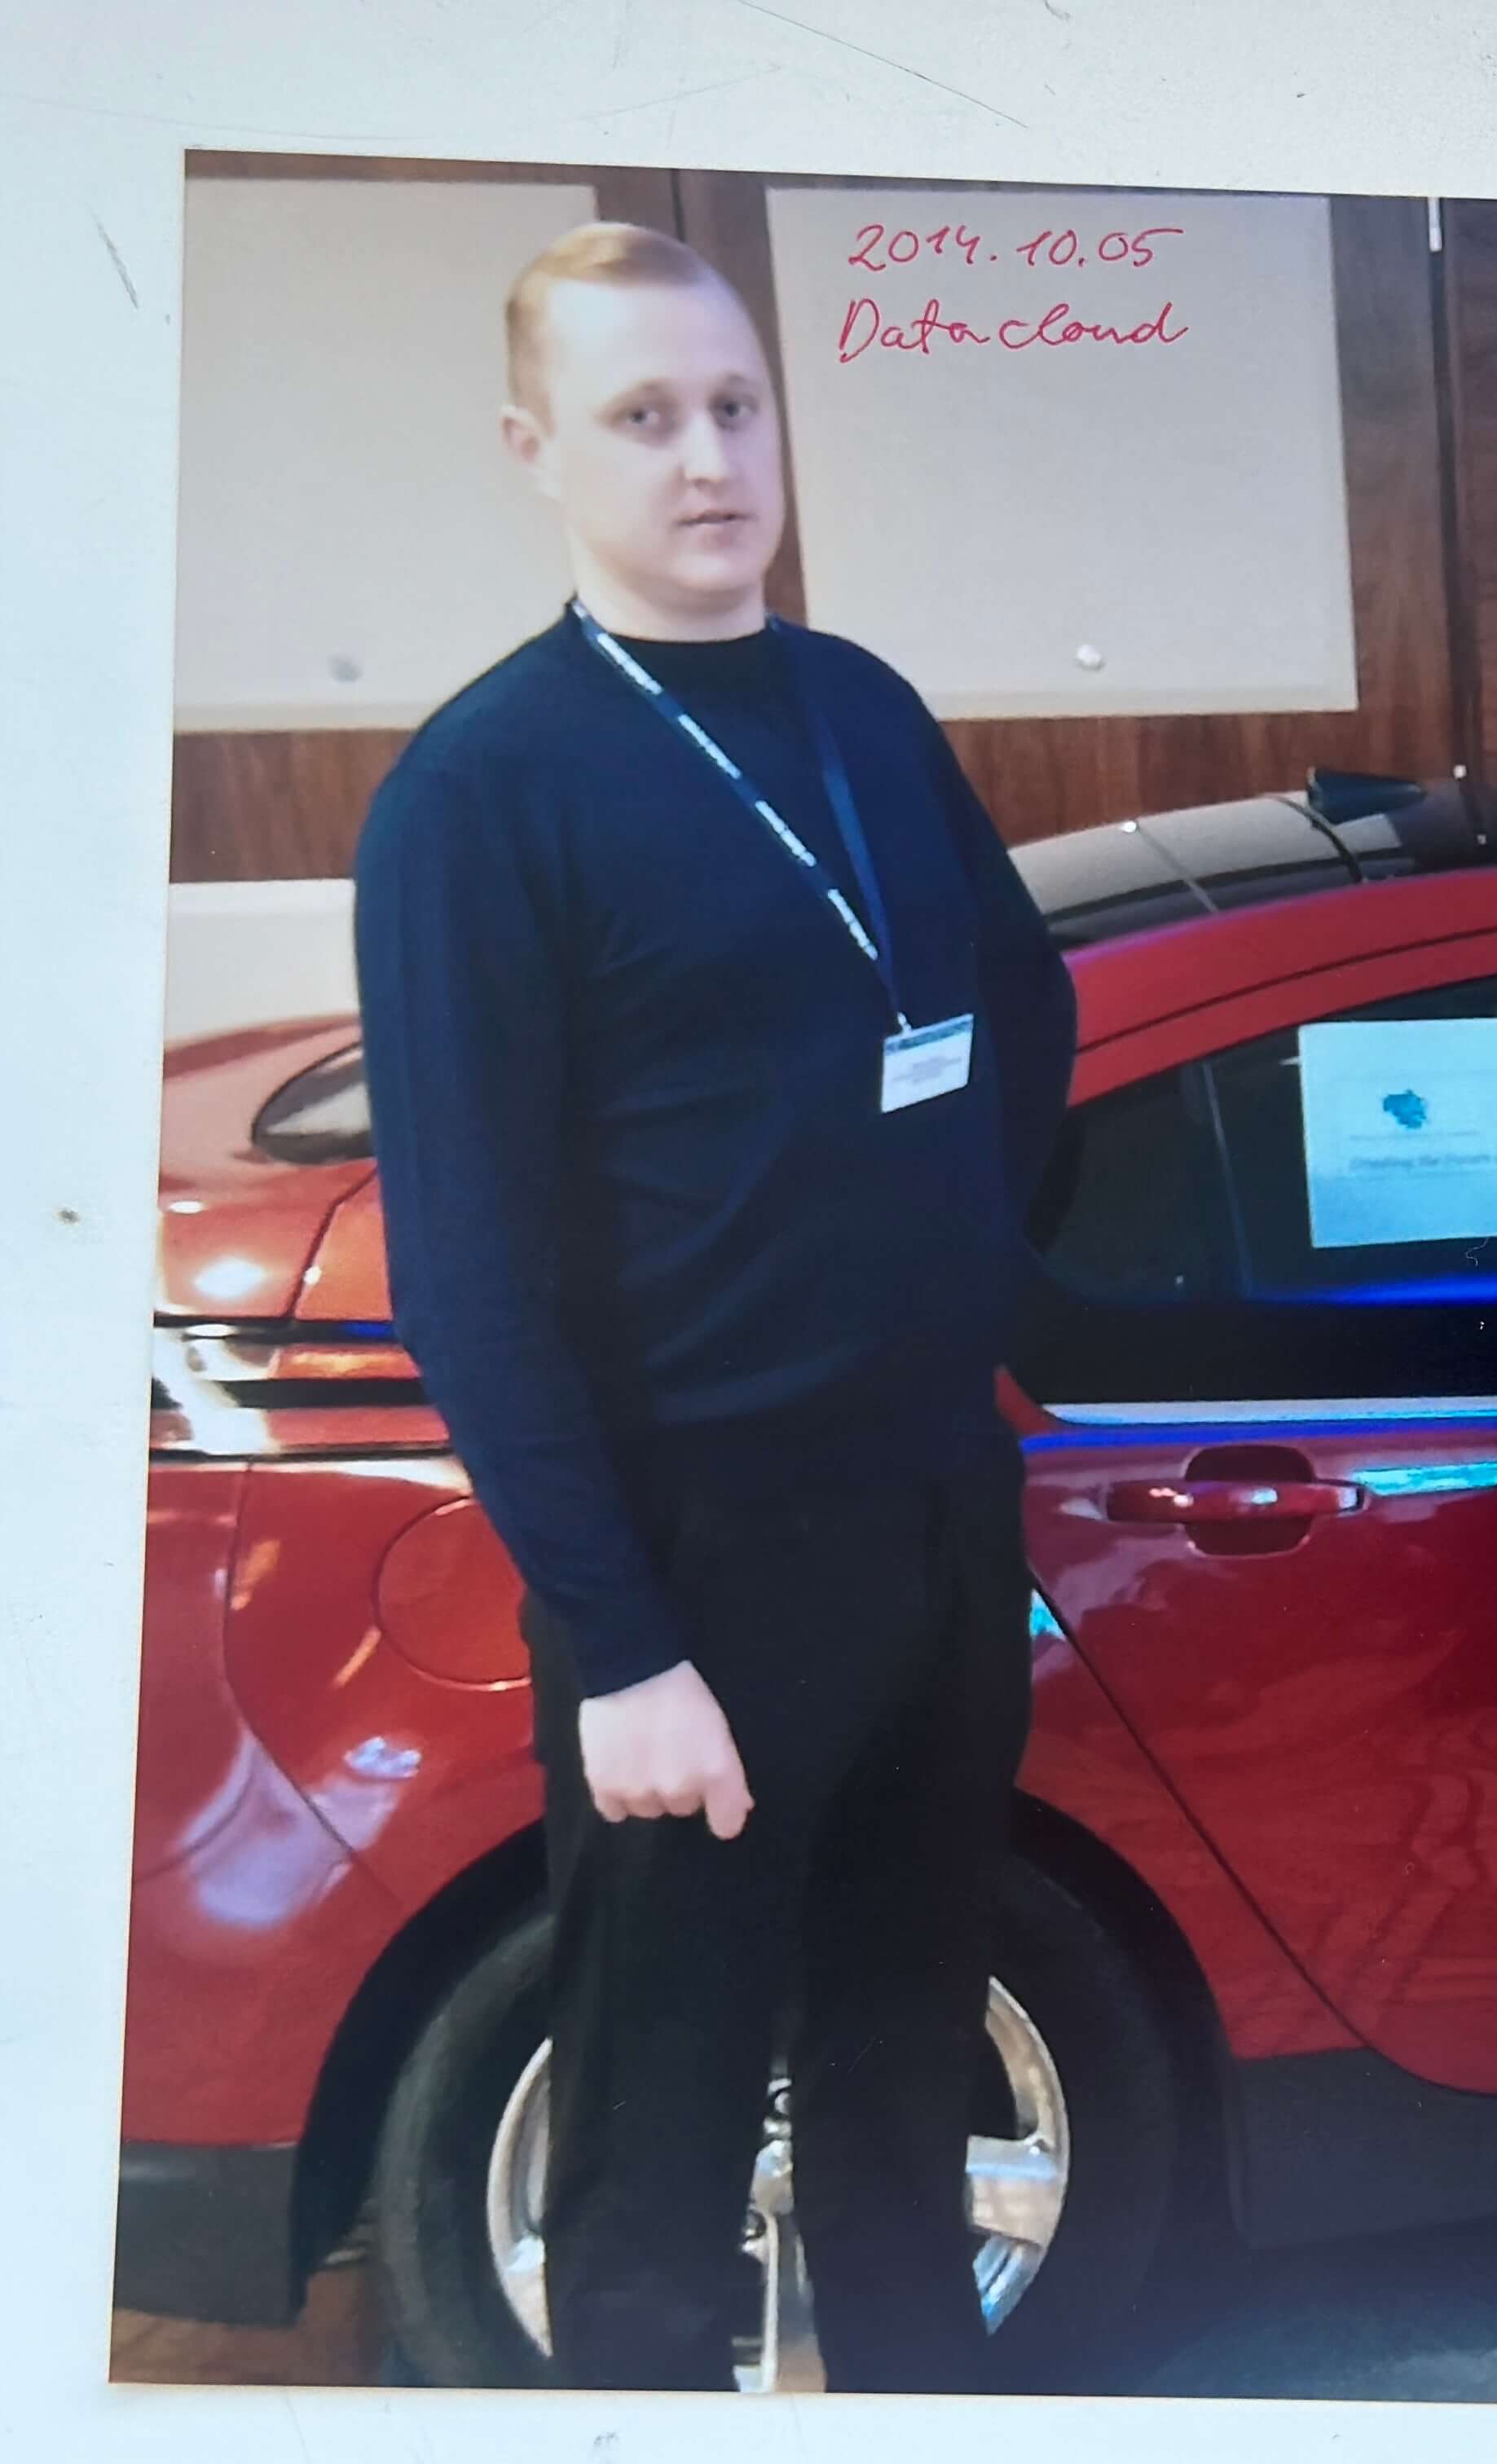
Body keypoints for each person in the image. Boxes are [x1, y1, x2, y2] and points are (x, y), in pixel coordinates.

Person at [350, 222, 1077, 2391]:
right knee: (658, 2173)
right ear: (535, 449)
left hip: (938, 1516)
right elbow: (464, 1274)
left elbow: (1018, 1017)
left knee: (898, 2117)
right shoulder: (480, 794)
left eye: (735, 407)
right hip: (699, 1565)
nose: (705, 460)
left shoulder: (861, 708)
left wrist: (958, 1285)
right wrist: (631, 1642)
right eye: (643, 417)